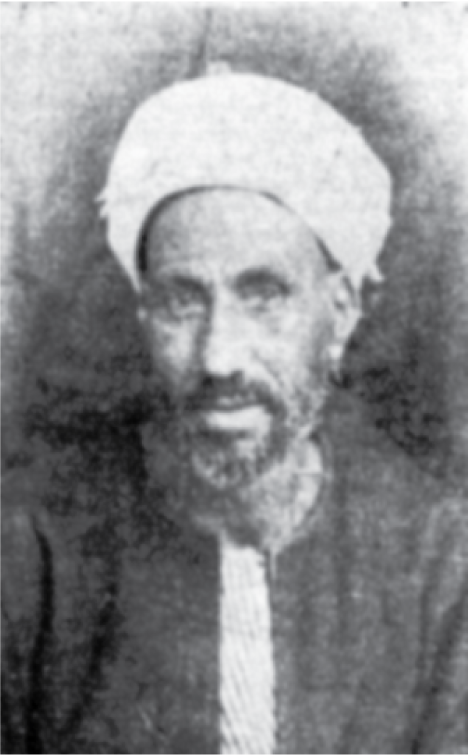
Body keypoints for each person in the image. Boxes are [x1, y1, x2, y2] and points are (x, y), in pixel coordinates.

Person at [1, 67, 468, 756]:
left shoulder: (440, 559)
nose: (219, 356)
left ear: (340, 312)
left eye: (263, 296)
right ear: (144, 313)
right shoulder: (30, 549)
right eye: (182, 301)